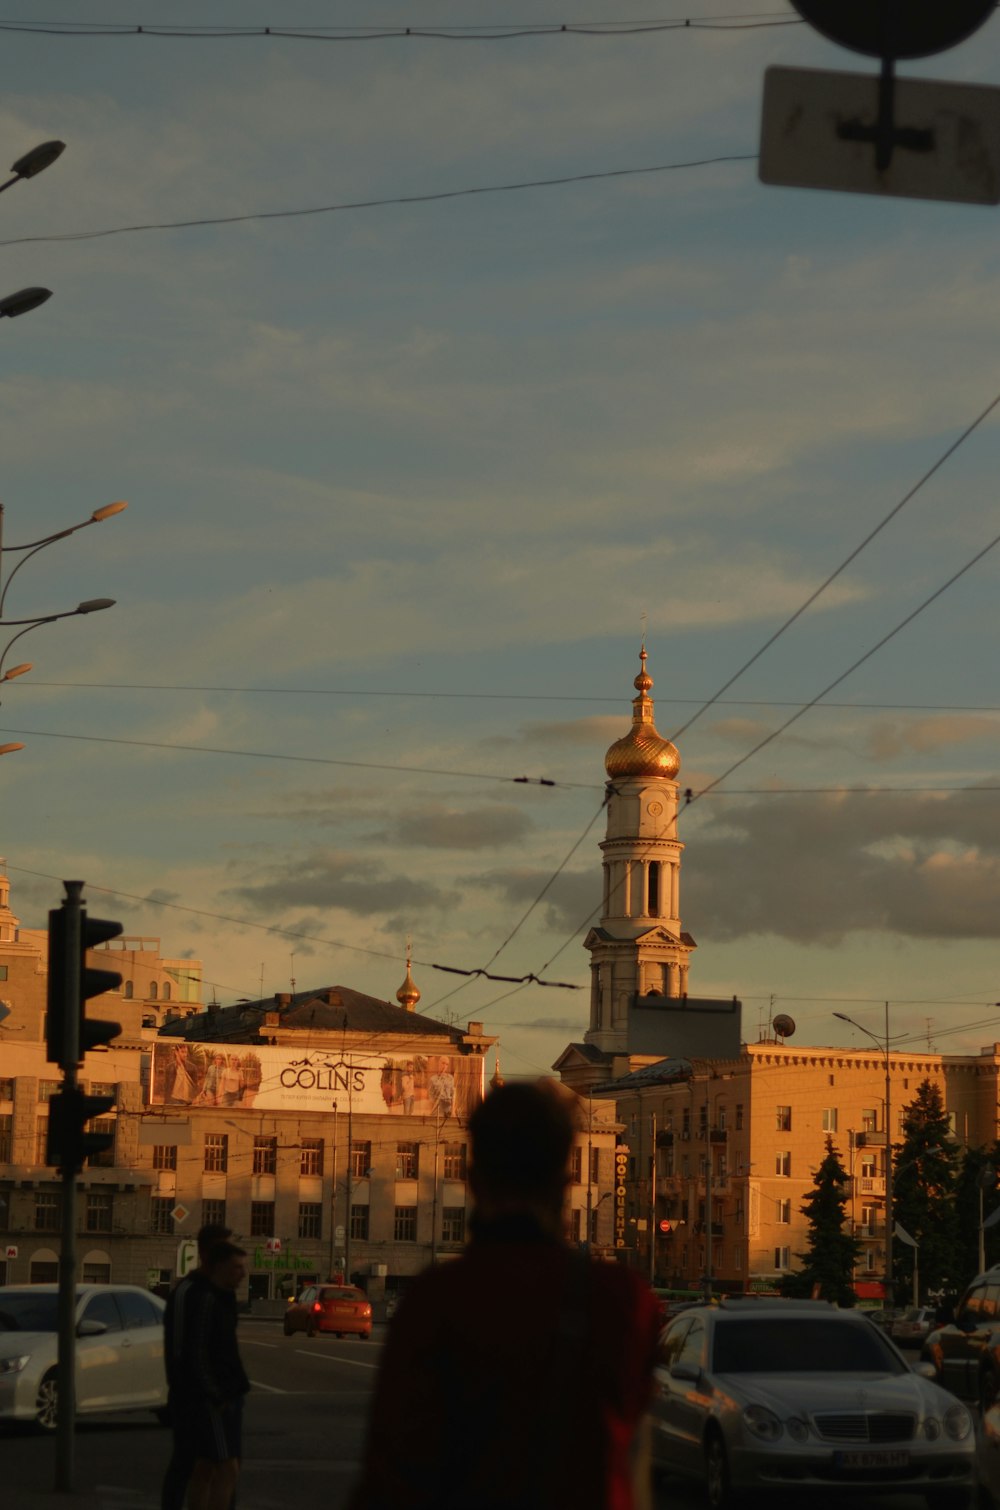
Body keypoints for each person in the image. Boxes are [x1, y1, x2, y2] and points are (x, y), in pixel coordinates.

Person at [349, 1081, 661, 1510]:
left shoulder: (434, 1302)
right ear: (564, 1181)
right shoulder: (624, 1301)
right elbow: (633, 1460)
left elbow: (391, 1474)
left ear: (475, 1180)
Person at [161, 1228, 248, 1510]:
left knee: (212, 1466)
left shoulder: (221, 1292)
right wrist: (206, 1393)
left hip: (221, 1393)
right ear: (209, 1255)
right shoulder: (192, 1292)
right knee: (192, 1465)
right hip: (199, 1397)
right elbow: (184, 1351)